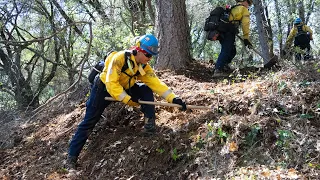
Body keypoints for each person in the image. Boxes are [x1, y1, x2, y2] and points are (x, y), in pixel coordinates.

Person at [66, 34, 187, 169]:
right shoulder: (119, 59)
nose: (149, 59)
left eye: (151, 56)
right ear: (139, 50)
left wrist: (173, 98)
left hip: (125, 87)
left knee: (146, 89)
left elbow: (156, 83)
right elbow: (112, 84)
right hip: (103, 89)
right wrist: (129, 100)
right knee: (89, 122)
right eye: (148, 55)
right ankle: (71, 157)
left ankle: (149, 126)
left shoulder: (143, 66)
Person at [213, 0, 253, 77]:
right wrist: (246, 38)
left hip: (222, 31)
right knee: (226, 50)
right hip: (228, 32)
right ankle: (218, 70)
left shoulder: (233, 8)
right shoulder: (243, 9)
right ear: (244, 1)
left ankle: (224, 65)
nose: (248, 5)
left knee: (232, 51)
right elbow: (245, 24)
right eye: (248, 3)